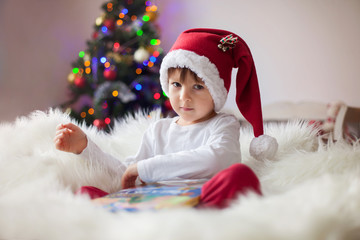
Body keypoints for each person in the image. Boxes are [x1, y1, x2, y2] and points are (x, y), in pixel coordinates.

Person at [54, 28, 277, 208]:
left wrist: (145, 168)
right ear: (167, 84)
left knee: (240, 176)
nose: (184, 97)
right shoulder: (158, 129)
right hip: (155, 203)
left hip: (200, 200)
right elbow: (127, 174)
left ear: (216, 92)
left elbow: (217, 160)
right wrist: (85, 147)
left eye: (198, 87)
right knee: (86, 194)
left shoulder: (223, 124)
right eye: (177, 85)